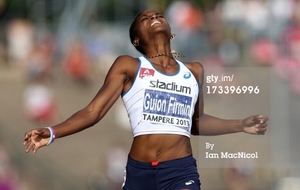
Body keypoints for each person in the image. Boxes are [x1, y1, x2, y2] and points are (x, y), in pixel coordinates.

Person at [23, 10, 268, 190]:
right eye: (144, 18)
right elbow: (93, 112)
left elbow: (196, 123)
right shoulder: (128, 65)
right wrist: (53, 132)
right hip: (139, 173)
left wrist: (240, 124)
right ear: (136, 41)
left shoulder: (194, 70)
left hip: (179, 171)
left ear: (171, 32)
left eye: (159, 15)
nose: (154, 16)